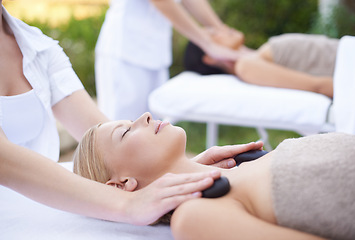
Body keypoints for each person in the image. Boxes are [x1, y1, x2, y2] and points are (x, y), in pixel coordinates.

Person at [0, 3, 259, 225]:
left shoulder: (38, 47)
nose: (145, 116)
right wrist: (127, 204)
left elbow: (101, 141)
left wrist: (173, 168)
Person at [73, 112, 355, 239]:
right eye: (125, 132)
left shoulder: (239, 167)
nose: (145, 116)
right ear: (122, 185)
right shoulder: (195, 216)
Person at [95, 0, 243, 121]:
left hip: (156, 54)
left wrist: (222, 31)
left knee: (152, 132)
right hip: (126, 51)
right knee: (121, 129)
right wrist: (207, 44)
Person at [184, 30, 338, 98]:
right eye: (213, 34)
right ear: (209, 58)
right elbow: (317, 86)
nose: (222, 29)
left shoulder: (256, 58)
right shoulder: (246, 66)